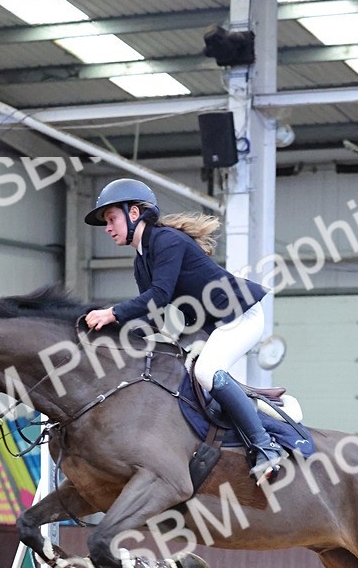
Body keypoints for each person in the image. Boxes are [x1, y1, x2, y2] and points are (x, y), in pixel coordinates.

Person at [84, 177, 282, 483]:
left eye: (111, 219)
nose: (108, 228)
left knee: (206, 371)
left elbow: (159, 296)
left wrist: (111, 313)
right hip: (211, 325)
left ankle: (265, 447)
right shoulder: (142, 261)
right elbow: (153, 317)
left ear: (133, 213)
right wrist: (108, 337)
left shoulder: (167, 241)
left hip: (240, 315)